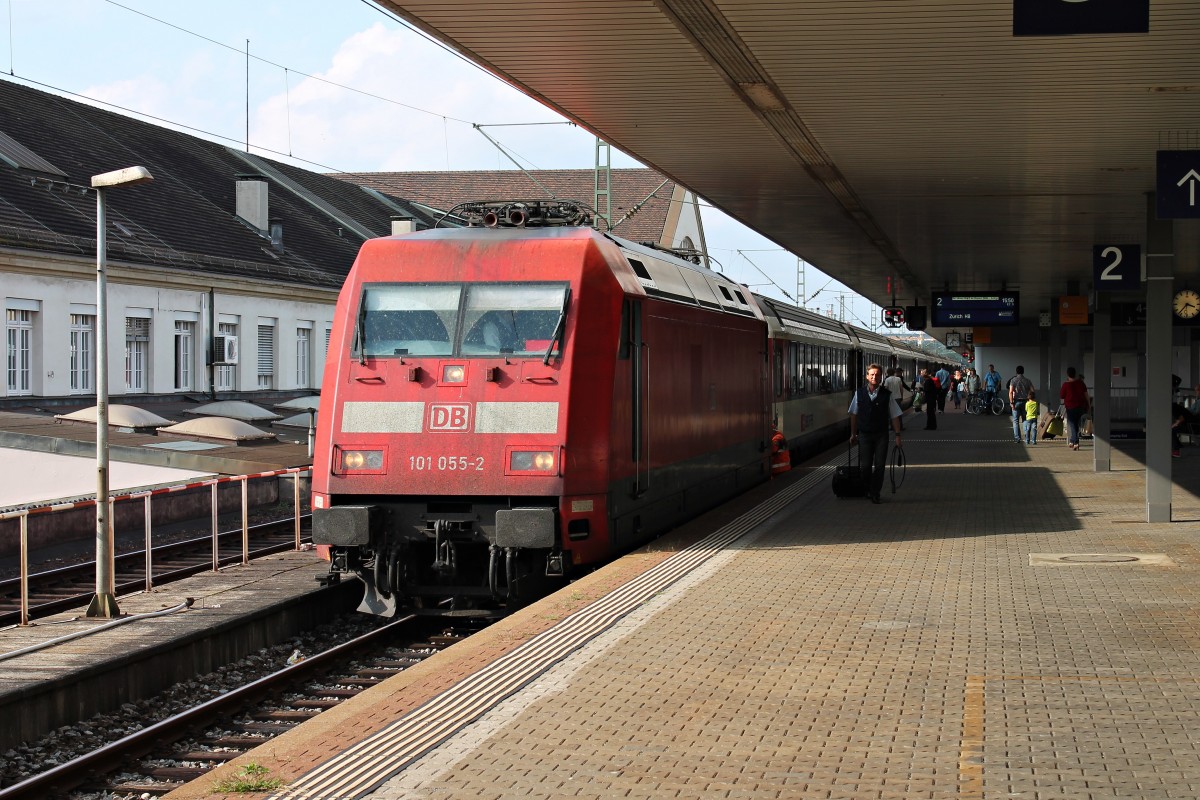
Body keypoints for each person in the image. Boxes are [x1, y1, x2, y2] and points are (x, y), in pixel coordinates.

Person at [848, 363, 903, 503]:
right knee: (865, 466)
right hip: (865, 435)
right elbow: (854, 414)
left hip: (881, 435)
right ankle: (867, 489)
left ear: (881, 377)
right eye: (872, 374)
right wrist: (853, 434)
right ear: (867, 376)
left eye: (877, 375)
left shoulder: (887, 395)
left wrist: (897, 435)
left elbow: (894, 416)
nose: (874, 377)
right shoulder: (859, 393)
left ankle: (875, 493)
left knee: (880, 465)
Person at [1059, 366, 1089, 451]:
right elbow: (1086, 394)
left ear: (1067, 374)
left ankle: (1076, 442)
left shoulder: (1065, 384)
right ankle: (1072, 441)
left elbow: (1062, 396)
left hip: (1071, 407)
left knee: (1072, 424)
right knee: (1076, 425)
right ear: (1075, 374)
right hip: (1081, 407)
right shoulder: (1081, 383)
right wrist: (1089, 405)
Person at [1007, 365, 1034, 443]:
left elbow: (1010, 392)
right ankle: (1026, 437)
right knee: (1025, 419)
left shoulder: (1013, 380)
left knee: (1015, 421)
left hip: (1016, 402)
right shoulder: (1027, 380)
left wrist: (1011, 402)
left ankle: (1017, 438)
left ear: (1016, 372)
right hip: (1026, 402)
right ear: (1023, 371)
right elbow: (1032, 390)